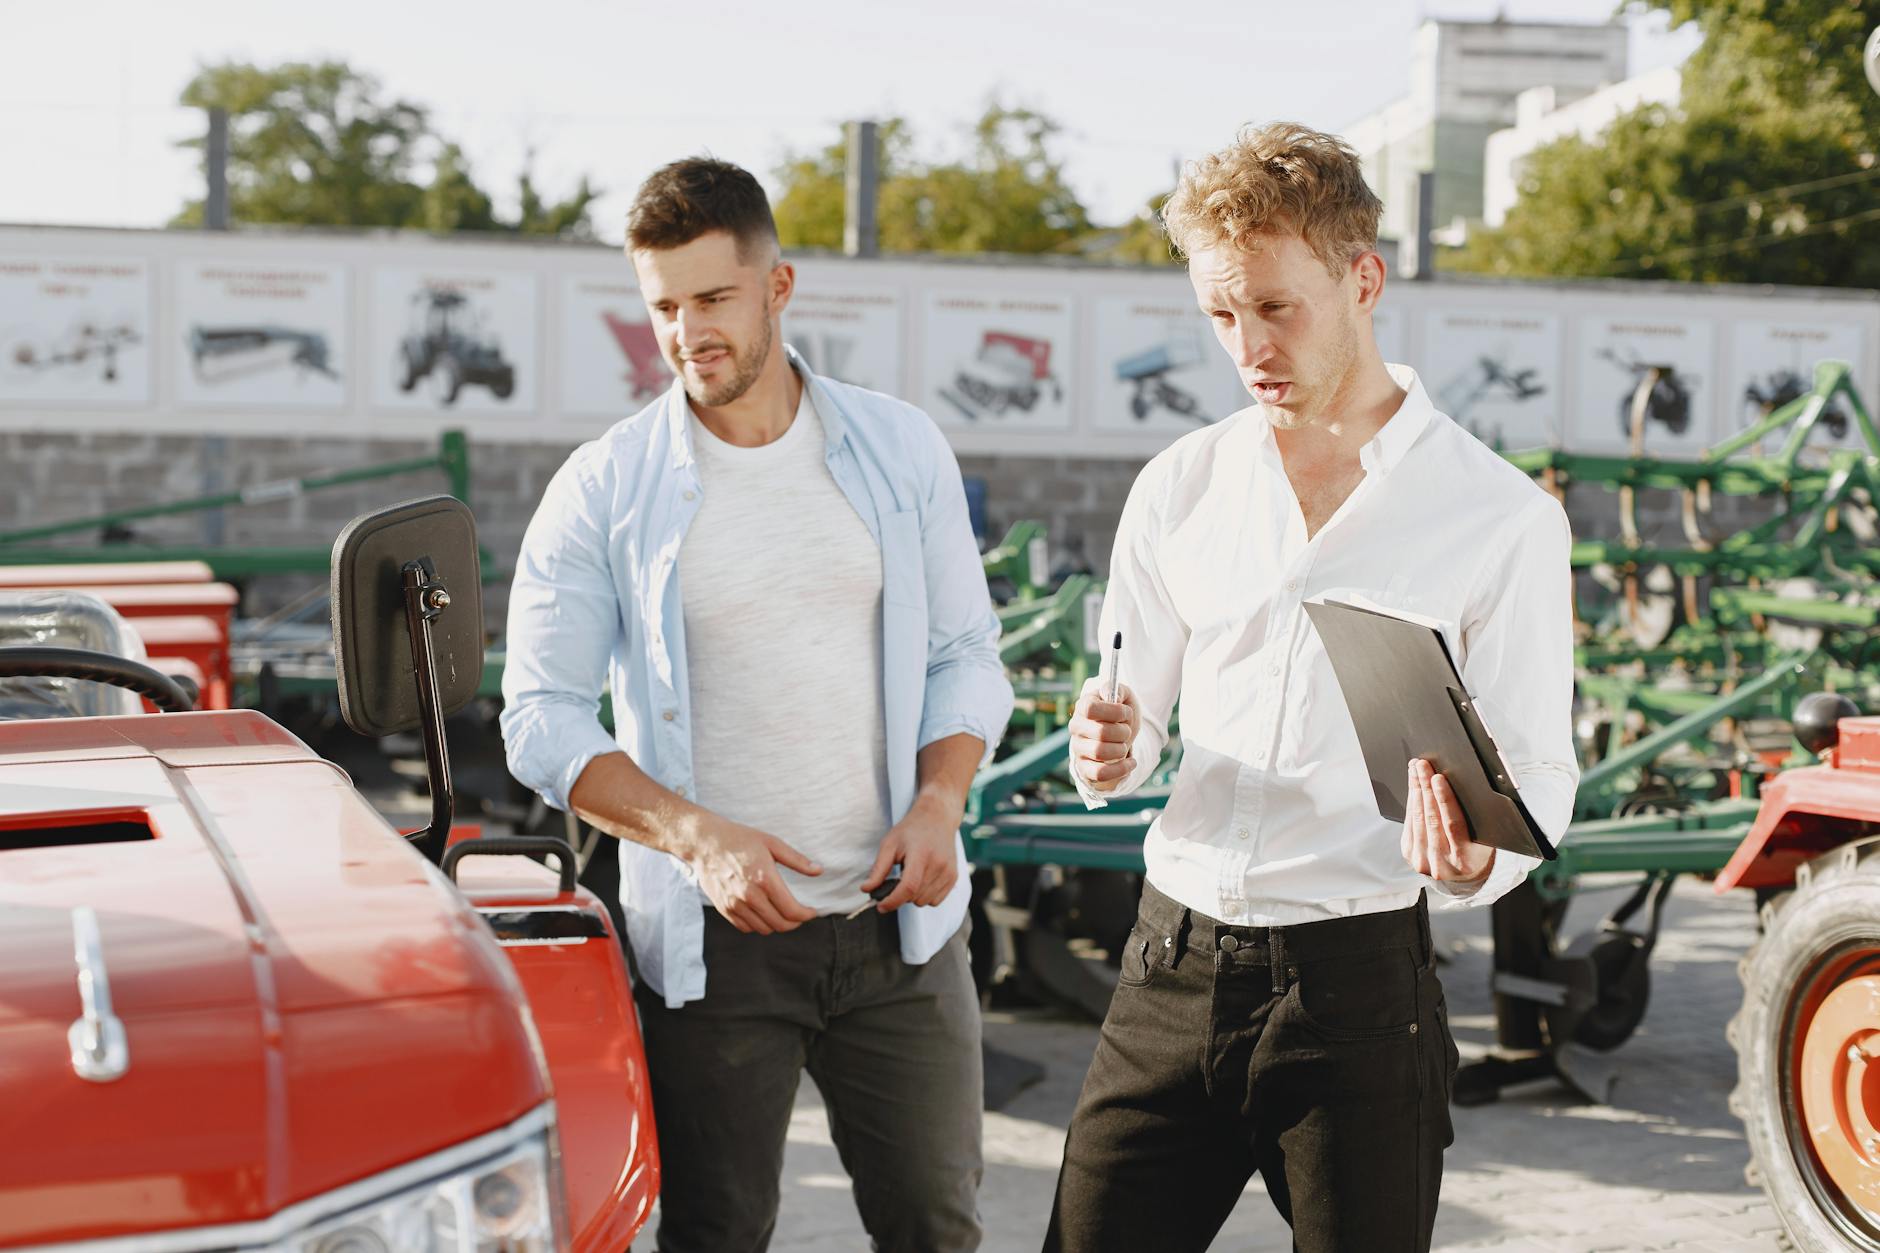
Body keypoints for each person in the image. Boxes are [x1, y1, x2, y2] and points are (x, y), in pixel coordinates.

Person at [1045, 122, 1579, 1253]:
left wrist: (1481, 856)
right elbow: (1129, 715)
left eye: (1274, 307)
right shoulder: (1178, 483)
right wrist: (1110, 748)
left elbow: (1536, 770)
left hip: (1353, 988)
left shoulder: (1499, 517)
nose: (1246, 346)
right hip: (1164, 968)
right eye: (1220, 316)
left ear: (1362, 277)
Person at [500, 156, 1011, 1253]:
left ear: (777, 288)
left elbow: (966, 649)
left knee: (937, 1227)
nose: (688, 333)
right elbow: (538, 714)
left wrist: (938, 801)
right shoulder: (604, 485)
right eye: (664, 307)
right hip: (715, 942)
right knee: (717, 1231)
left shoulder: (897, 444)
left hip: (900, 930)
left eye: (713, 298)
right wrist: (696, 839)